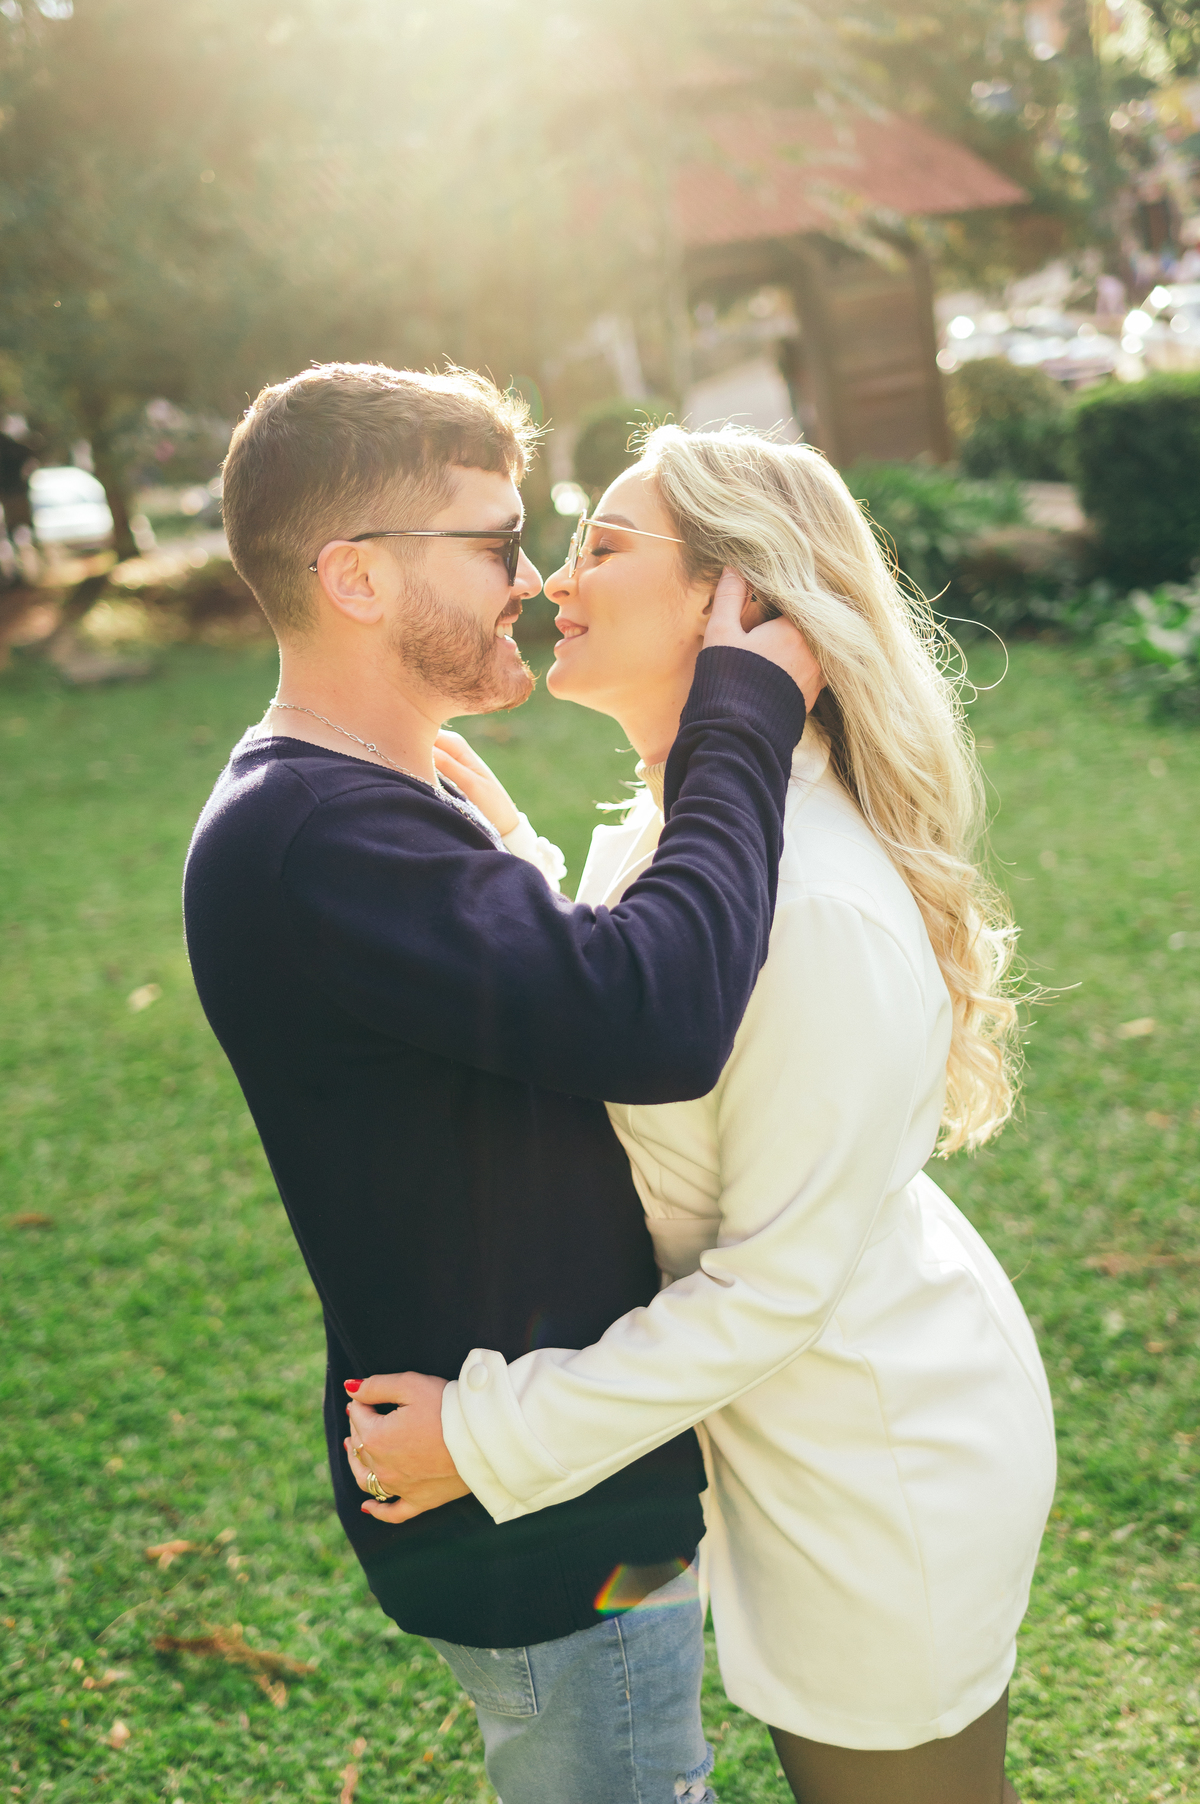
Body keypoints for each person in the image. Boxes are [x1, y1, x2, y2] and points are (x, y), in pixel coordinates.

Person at [346, 426, 1058, 1804]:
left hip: (877, 1473)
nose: (553, 578)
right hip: (797, 1441)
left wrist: (482, 1435)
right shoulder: (686, 821)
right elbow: (648, 1004)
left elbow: (770, 1291)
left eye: (604, 547)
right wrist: (525, 878)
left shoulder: (814, 907)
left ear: (745, 604)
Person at [183, 365, 821, 1804]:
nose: (531, 583)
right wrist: (742, 717)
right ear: (355, 577)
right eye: (494, 544)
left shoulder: (369, 807)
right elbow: (653, 1008)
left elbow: (540, 999)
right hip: (530, 1510)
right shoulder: (317, 839)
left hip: (574, 1461)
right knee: (637, 1779)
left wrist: (520, 849)